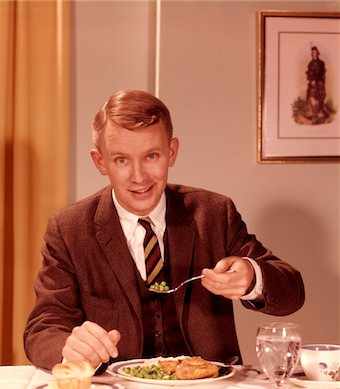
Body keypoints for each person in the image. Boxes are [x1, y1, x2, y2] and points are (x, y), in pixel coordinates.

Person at [24, 89, 305, 371]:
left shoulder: (214, 213)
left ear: (172, 152)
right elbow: (42, 329)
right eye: (122, 160)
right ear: (101, 162)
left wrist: (252, 277)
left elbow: (292, 293)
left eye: (151, 156)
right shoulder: (69, 229)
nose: (139, 177)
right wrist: (68, 347)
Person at [305, 46, 329, 123]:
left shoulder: (321, 63)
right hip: (312, 83)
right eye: (312, 52)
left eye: (315, 52)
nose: (313, 53)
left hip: (319, 83)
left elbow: (322, 74)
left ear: (317, 53)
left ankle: (317, 115)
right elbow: (309, 74)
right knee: (312, 98)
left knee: (318, 99)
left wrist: (315, 80)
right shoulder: (310, 64)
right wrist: (310, 79)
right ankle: (315, 115)